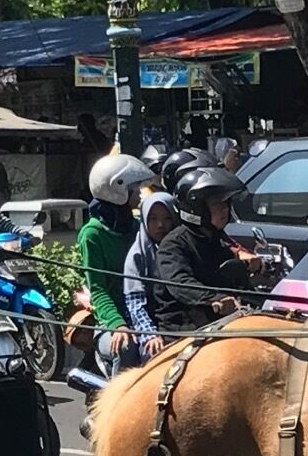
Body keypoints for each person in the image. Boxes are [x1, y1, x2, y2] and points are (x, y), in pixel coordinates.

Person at [147, 164, 258, 334]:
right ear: (196, 208)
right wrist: (213, 299)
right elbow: (179, 283)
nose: (225, 209)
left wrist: (254, 267)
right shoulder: (173, 244)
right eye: (216, 204)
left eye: (226, 203)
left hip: (218, 323)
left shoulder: (215, 239)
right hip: (182, 328)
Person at [75, 149, 146, 370]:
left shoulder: (136, 227)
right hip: (108, 320)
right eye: (134, 189)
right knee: (126, 347)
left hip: (140, 311)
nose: (140, 194)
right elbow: (98, 289)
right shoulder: (93, 234)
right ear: (118, 190)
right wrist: (118, 325)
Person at [122, 181, 181, 353]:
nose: (160, 225)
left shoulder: (181, 250)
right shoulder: (138, 255)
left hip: (178, 326)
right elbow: (135, 304)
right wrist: (151, 334)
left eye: (167, 218)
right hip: (147, 325)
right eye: (153, 219)